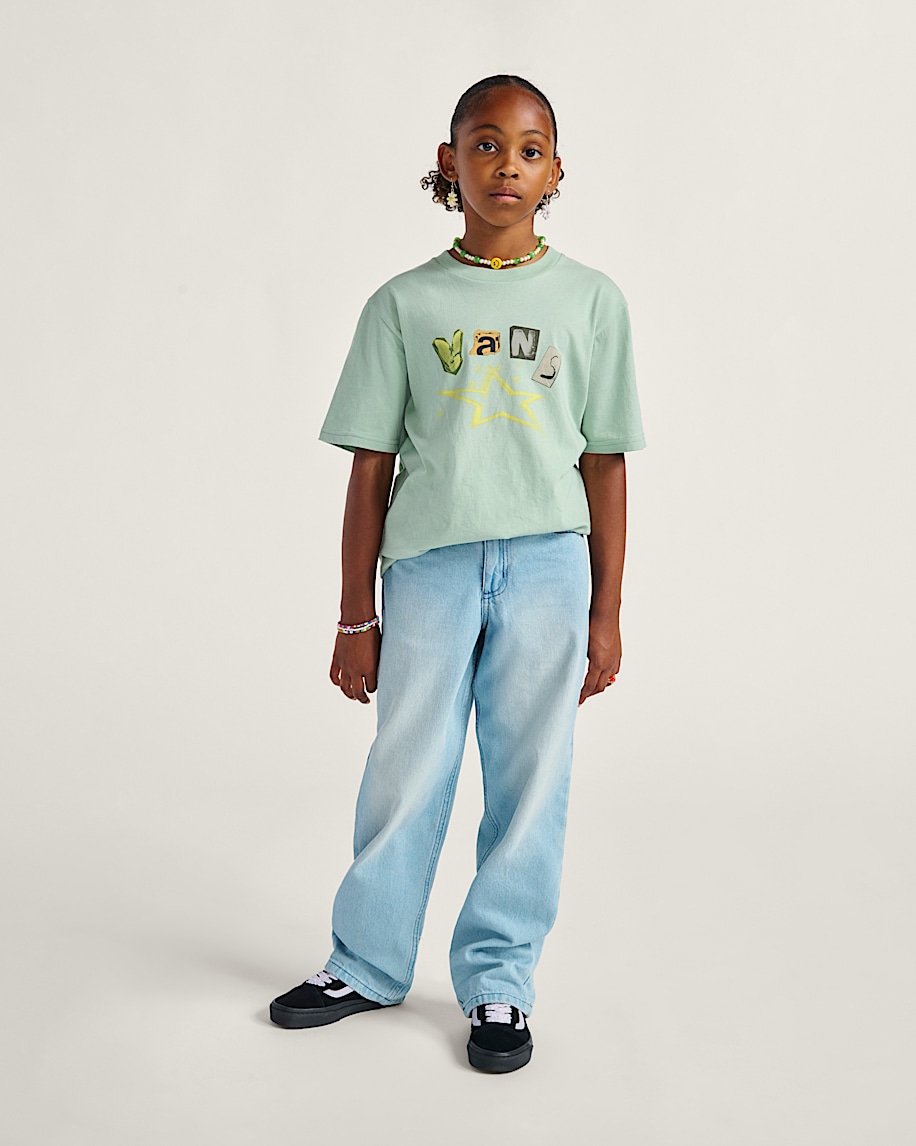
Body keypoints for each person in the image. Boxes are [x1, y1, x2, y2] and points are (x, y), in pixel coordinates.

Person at [269, 74, 646, 1073]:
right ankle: (366, 962)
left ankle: (499, 981)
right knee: (407, 768)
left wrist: (606, 611)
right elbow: (370, 465)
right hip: (429, 568)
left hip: (549, 567)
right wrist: (355, 617)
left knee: (530, 780)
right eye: (485, 144)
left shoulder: (592, 301)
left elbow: (605, 462)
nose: (506, 165)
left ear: (555, 171)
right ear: (450, 162)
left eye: (529, 149)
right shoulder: (403, 304)